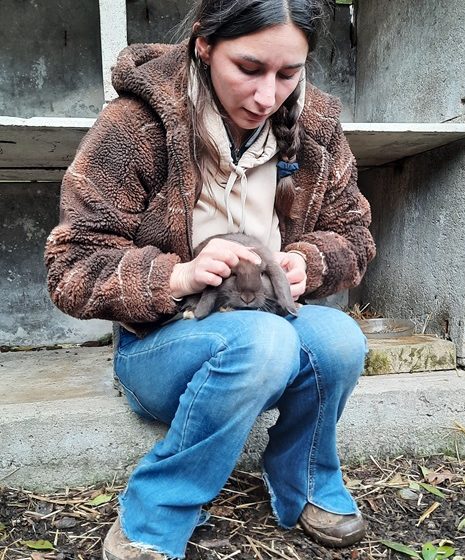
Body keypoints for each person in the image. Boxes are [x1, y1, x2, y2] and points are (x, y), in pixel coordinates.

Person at [44, 0, 376, 558]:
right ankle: (156, 514)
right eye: (248, 69)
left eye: (287, 74)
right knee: (265, 342)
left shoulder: (315, 125)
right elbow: (72, 265)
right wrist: (177, 274)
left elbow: (355, 235)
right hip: (162, 345)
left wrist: (308, 262)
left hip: (267, 323)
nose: (268, 97)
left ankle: (306, 479)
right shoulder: (136, 123)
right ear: (204, 44)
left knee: (340, 338)